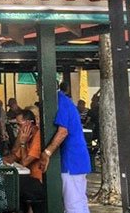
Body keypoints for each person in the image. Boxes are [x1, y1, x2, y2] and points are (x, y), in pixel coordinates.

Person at [40, 82, 91, 213]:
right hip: (76, 159)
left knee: (73, 204)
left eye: (37, 91)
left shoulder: (61, 102)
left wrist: (47, 152)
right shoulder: (65, 101)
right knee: (79, 202)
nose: (38, 94)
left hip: (71, 160)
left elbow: (63, 131)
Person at [3, 109, 43, 211]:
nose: (18, 128)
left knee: (9, 187)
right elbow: (13, 156)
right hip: (28, 178)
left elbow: (25, 162)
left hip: (39, 181)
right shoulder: (26, 137)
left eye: (20, 125)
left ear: (29, 124)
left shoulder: (38, 136)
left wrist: (23, 143)